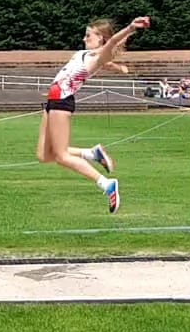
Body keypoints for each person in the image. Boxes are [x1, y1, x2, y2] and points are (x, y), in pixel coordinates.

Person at [37, 16, 149, 213]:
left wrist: (131, 28)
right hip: (52, 101)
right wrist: (118, 67)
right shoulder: (86, 54)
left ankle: (106, 184)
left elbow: (111, 45)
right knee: (44, 155)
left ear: (101, 38)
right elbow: (108, 54)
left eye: (88, 35)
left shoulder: (98, 58)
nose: (84, 38)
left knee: (62, 156)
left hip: (62, 101)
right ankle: (90, 153)